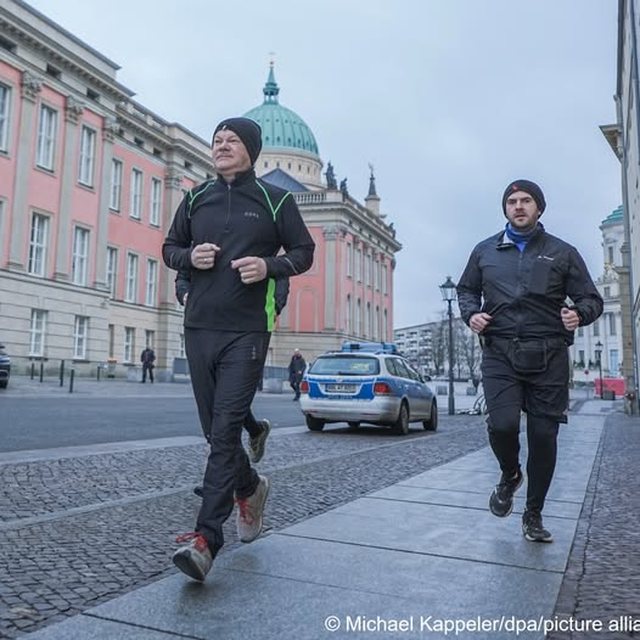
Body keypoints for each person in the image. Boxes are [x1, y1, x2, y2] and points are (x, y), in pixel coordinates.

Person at [162, 116, 315, 581]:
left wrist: (269, 266)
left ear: (251, 149)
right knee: (215, 433)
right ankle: (249, 486)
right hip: (199, 326)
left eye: (231, 140)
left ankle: (206, 539)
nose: (222, 145)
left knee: (226, 429)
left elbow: (304, 253)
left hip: (248, 330)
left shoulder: (277, 199)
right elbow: (171, 248)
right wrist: (188, 263)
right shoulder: (194, 197)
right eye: (217, 140)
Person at [457, 179, 603, 544]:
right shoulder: (484, 252)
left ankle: (533, 514)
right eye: (511, 201)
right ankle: (510, 475)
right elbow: (465, 290)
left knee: (543, 437)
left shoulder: (562, 253)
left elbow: (591, 299)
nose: (518, 206)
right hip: (500, 352)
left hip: (548, 355)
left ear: (539, 208)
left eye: (526, 201)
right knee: (503, 425)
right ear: (505, 209)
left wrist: (578, 315)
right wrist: (471, 314)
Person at [174, 270, 290, 469]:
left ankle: (224, 480)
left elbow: (281, 271)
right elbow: (184, 271)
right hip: (207, 325)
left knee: (226, 407)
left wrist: (276, 306)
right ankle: (245, 458)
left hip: (250, 328)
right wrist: (185, 294)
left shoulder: (261, 243)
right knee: (220, 405)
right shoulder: (203, 242)